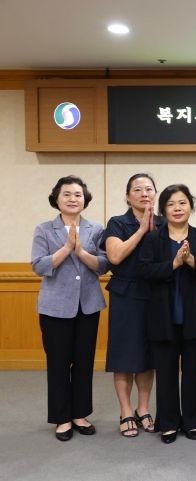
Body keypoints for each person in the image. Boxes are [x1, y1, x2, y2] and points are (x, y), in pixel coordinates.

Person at [31, 175, 108, 441]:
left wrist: (81, 252)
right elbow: (39, 265)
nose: (73, 199)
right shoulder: (44, 229)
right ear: (56, 199)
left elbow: (104, 265)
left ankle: (80, 414)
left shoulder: (96, 228)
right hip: (54, 307)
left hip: (88, 305)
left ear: (85, 200)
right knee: (58, 363)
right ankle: (62, 418)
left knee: (84, 362)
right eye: (67, 194)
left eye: (78, 194)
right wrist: (66, 248)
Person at [139, 184, 196, 444]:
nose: (177, 208)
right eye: (171, 204)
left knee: (193, 373)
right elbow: (145, 271)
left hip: (194, 315)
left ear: (191, 207)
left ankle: (192, 422)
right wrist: (173, 264)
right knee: (166, 372)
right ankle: (169, 422)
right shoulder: (153, 239)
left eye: (182, 203)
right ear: (163, 210)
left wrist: (191, 260)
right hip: (163, 316)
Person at [103, 173, 164, 437]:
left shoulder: (164, 222)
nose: (144, 194)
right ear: (128, 197)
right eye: (137, 190)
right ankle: (126, 410)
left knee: (149, 355)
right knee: (124, 355)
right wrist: (141, 230)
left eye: (149, 189)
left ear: (155, 194)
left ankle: (143, 408)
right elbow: (115, 256)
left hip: (156, 294)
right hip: (126, 294)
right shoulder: (118, 223)